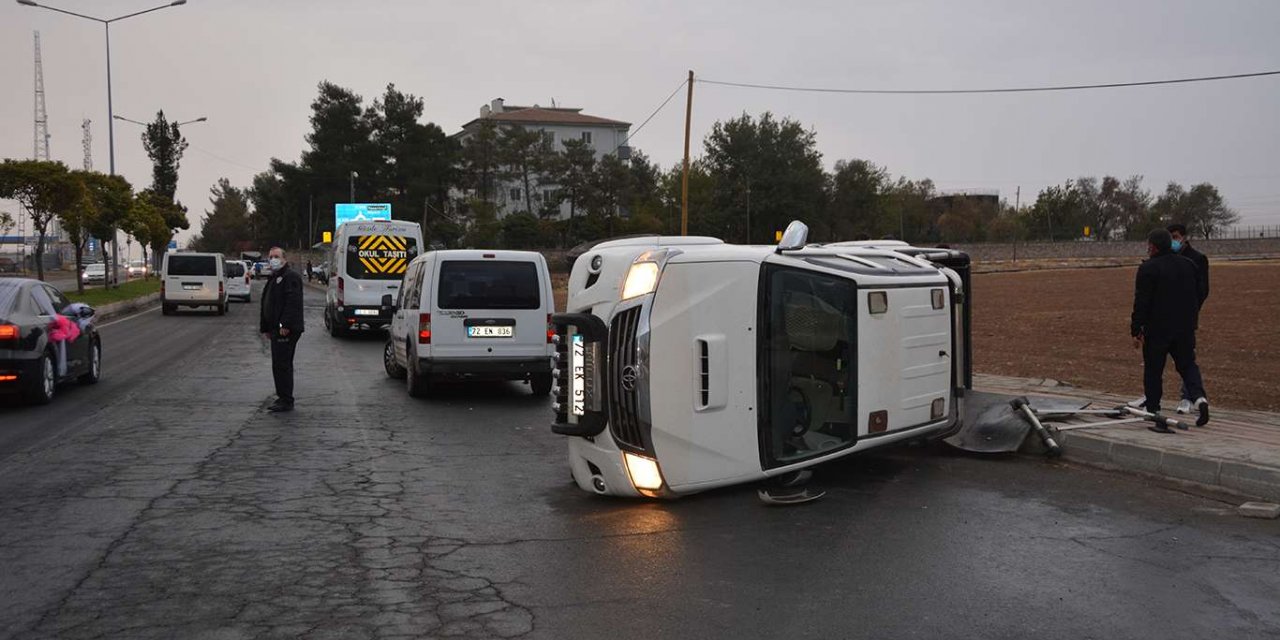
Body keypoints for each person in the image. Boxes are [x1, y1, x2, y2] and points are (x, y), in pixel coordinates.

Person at [1130, 228, 1209, 431]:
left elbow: (1142, 302)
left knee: (1154, 370)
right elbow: (1200, 293)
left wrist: (1136, 328)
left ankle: (1155, 412)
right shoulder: (1189, 265)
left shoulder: (1149, 268)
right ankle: (1199, 399)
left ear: (1153, 247)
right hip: (1185, 326)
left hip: (1158, 329)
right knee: (1188, 365)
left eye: (1149, 245)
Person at [260, 246, 305, 412]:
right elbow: (267, 303)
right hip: (275, 329)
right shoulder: (275, 277)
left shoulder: (290, 277)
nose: (273, 259)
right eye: (271, 256)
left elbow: (292, 303)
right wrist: (265, 327)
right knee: (278, 364)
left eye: (276, 256)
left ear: (284, 259)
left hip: (285, 330)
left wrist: (284, 325)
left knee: (282, 364)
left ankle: (286, 399)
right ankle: (282, 397)